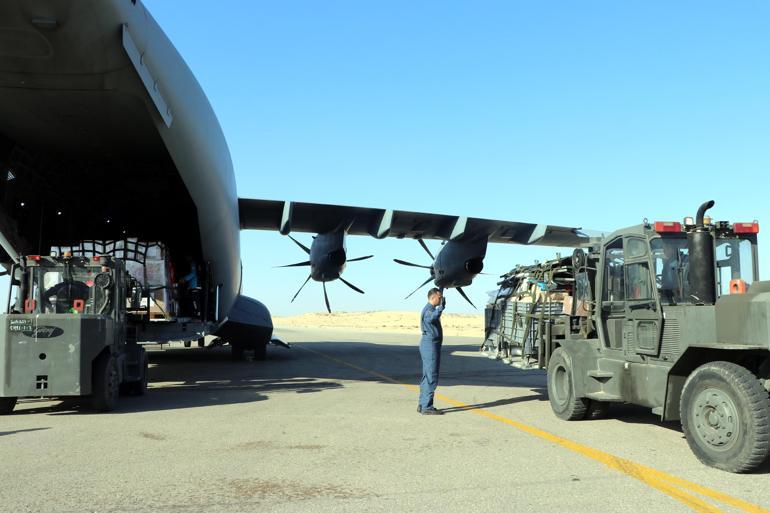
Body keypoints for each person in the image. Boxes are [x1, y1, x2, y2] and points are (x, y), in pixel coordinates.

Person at [418, 287, 445, 415]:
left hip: (430, 345)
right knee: (431, 376)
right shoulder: (429, 310)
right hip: (430, 346)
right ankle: (427, 407)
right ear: (433, 297)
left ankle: (422, 404)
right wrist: (440, 309)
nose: (441, 300)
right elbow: (431, 319)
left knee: (426, 376)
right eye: (440, 298)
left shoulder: (430, 309)